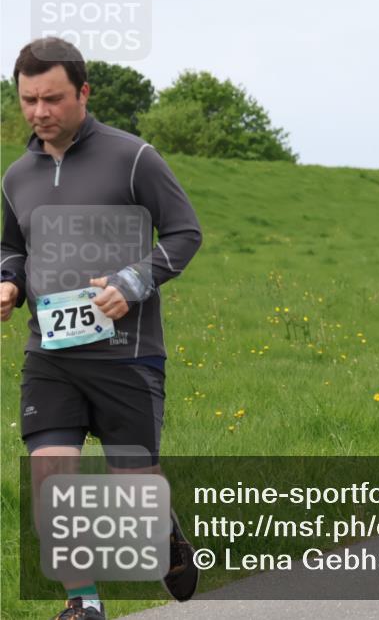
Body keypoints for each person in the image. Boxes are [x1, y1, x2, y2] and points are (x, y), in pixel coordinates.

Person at [0, 37, 202, 619]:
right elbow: (12, 247)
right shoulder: (17, 176)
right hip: (51, 354)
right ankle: (82, 604)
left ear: (83, 92)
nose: (40, 112)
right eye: (29, 100)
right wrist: (9, 281)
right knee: (49, 471)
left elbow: (185, 233)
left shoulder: (134, 158)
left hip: (126, 355)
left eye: (53, 99)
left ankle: (162, 532)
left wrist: (133, 281)